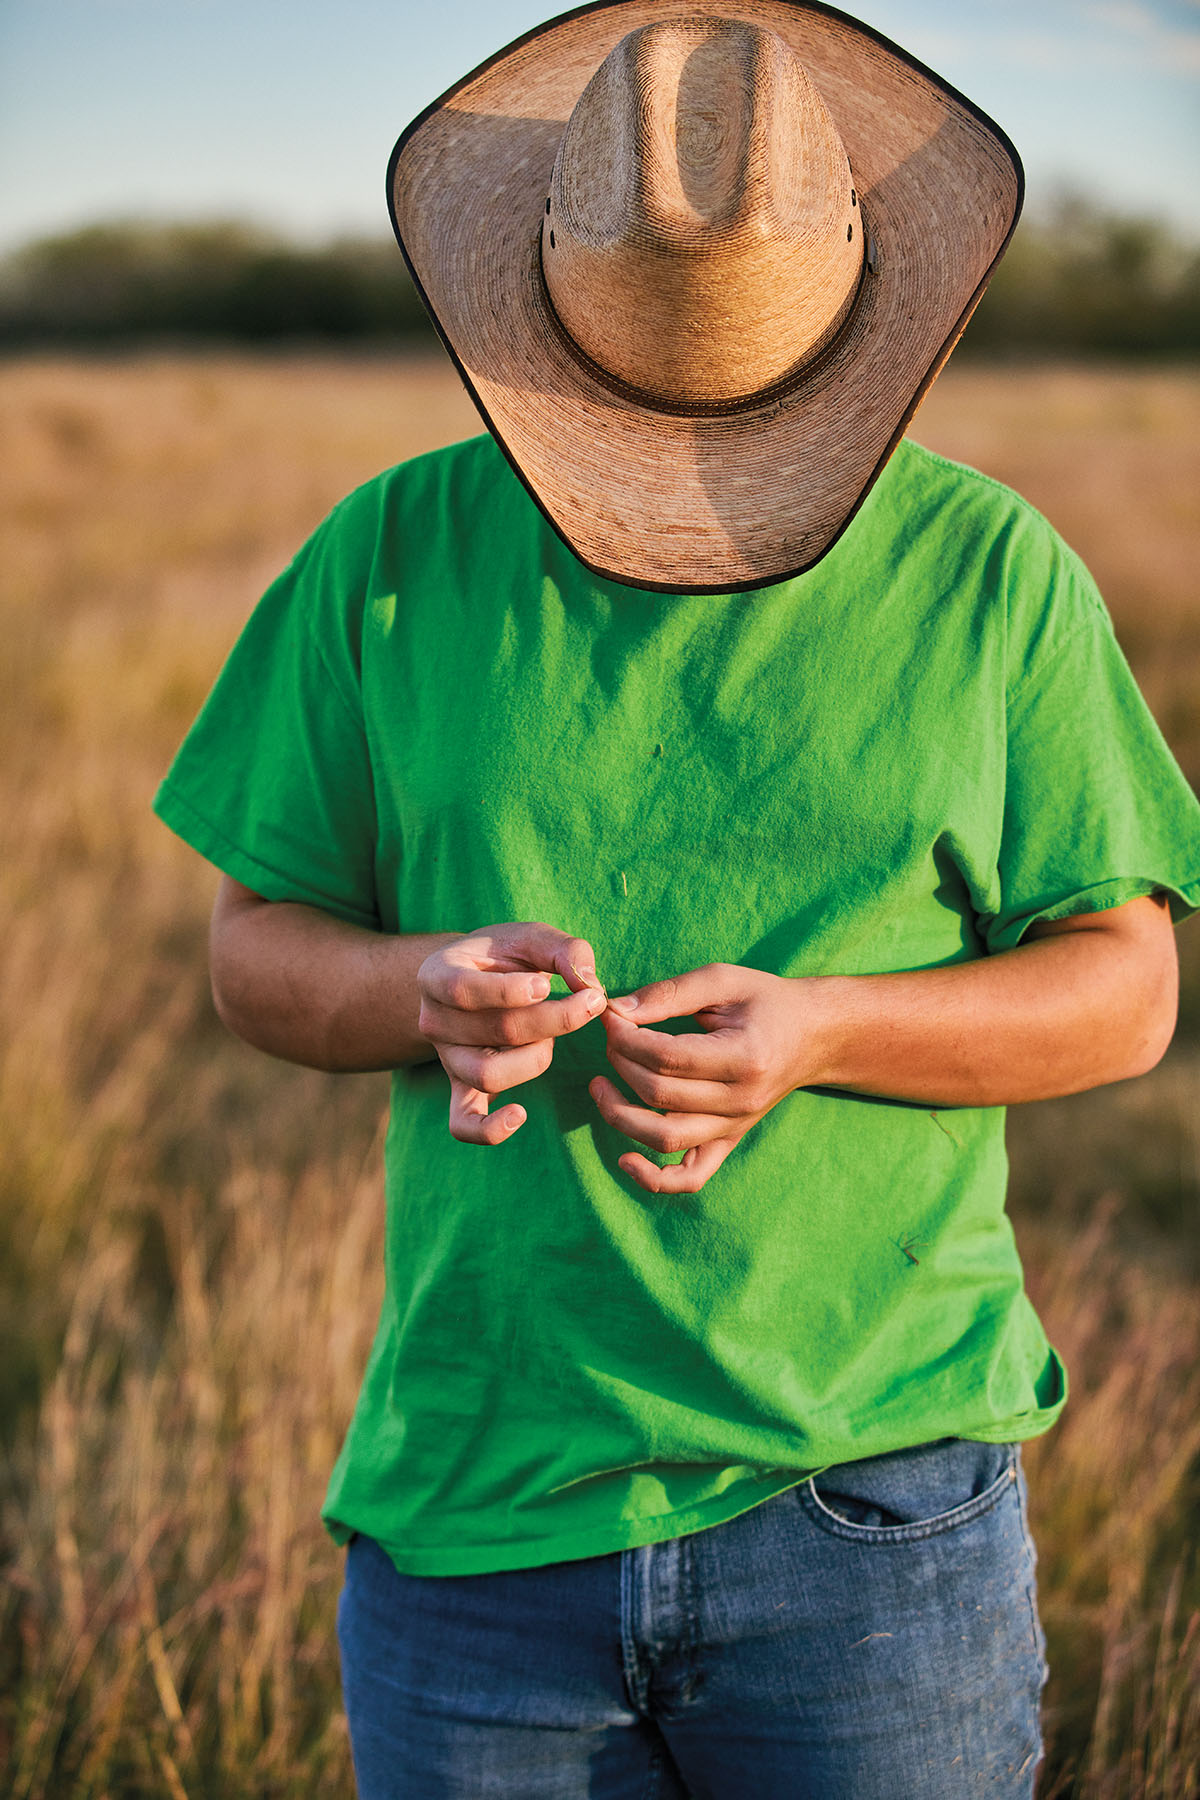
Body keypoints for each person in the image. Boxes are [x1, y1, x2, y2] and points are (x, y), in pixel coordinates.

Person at [154, 3, 1200, 1795]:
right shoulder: (388, 558)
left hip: (877, 1522)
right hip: (476, 1529)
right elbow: (254, 956)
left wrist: (828, 1031)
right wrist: (418, 988)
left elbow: (1127, 989)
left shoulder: (991, 574)